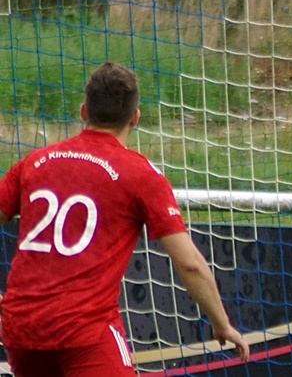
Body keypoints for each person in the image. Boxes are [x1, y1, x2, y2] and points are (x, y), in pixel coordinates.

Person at [0, 61, 250, 376]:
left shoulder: (34, 162)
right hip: (84, 332)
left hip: (21, 328)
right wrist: (221, 323)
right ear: (134, 118)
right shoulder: (139, 174)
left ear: (83, 112)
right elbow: (190, 264)